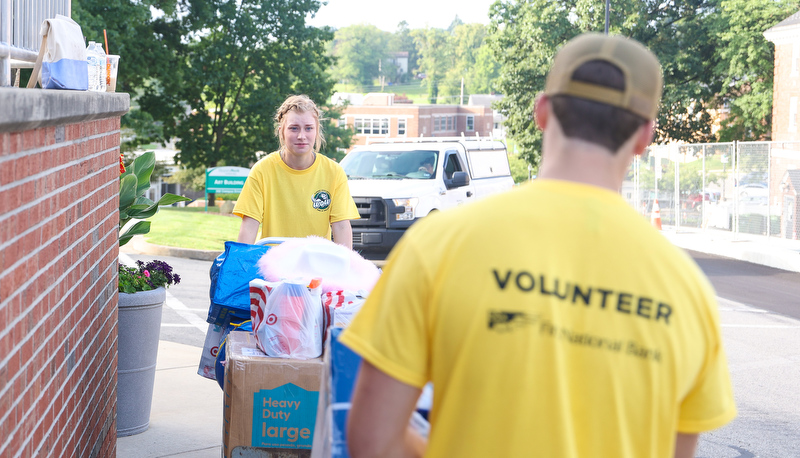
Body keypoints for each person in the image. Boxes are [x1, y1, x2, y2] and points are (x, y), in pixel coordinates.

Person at [340, 33, 736, 458]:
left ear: (543, 112)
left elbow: (373, 440)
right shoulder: (687, 291)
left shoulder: (438, 244)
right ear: (645, 136)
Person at [233, 95, 359, 249]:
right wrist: (239, 265)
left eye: (308, 128)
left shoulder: (334, 172)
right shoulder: (262, 171)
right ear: (282, 132)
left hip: (316, 265)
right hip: (273, 264)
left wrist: (345, 267)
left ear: (316, 130)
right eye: (294, 128)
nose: (301, 136)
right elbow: (249, 227)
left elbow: (341, 227)